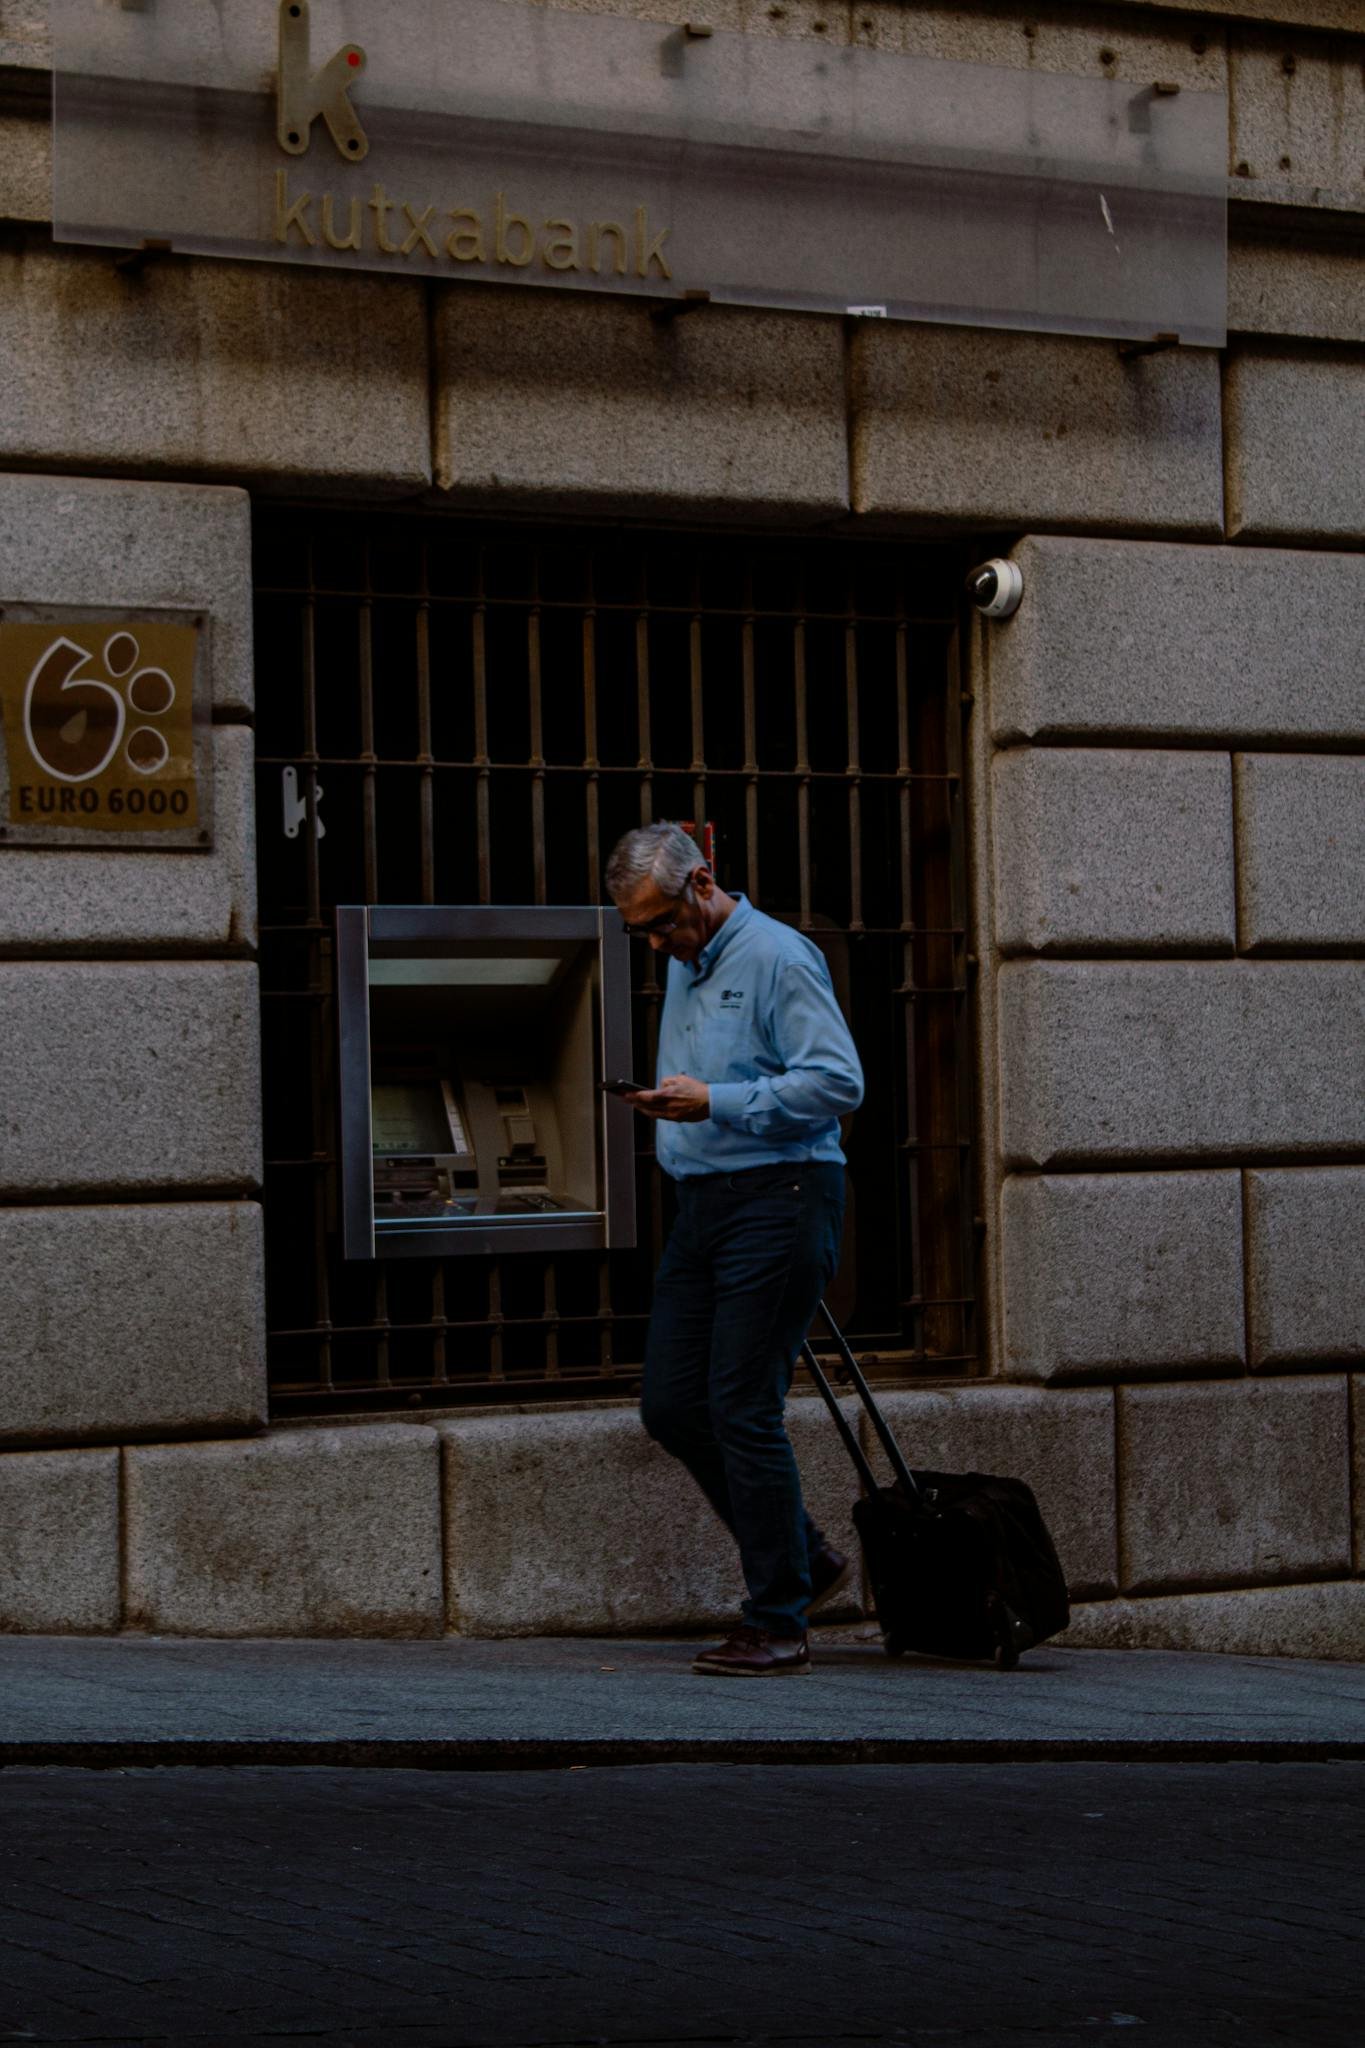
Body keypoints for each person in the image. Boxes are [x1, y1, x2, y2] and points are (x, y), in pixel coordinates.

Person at [604, 822, 865, 1676]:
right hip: (703, 1207)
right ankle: (806, 1557)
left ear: (702, 882)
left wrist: (714, 1101)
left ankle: (778, 1619)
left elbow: (837, 1082)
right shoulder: (688, 959)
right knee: (672, 1406)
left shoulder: (779, 956)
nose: (654, 944)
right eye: (637, 931)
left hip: (781, 1197)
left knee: (741, 1406)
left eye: (661, 922)